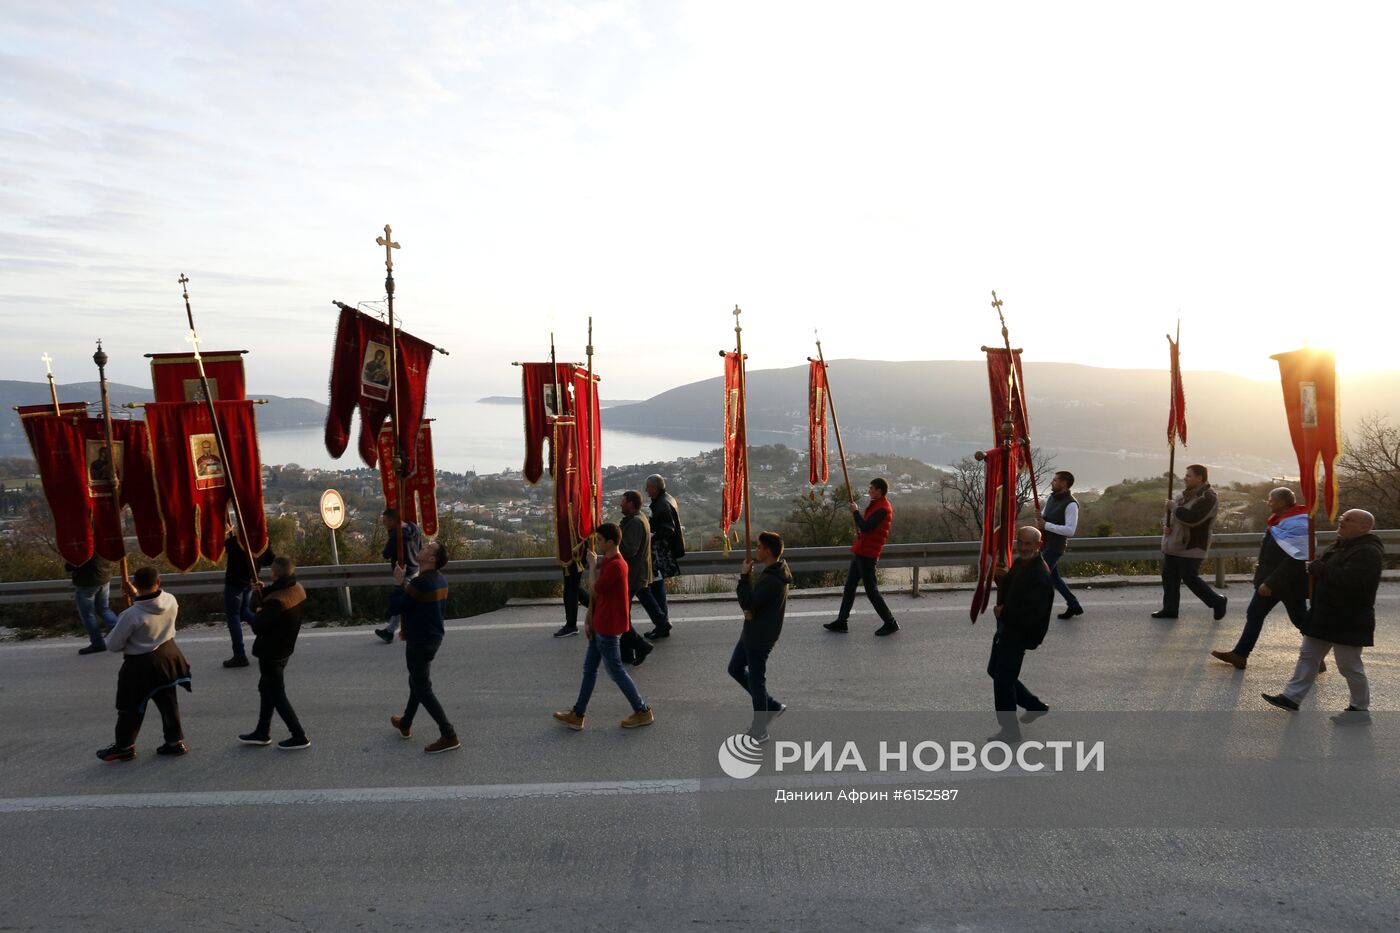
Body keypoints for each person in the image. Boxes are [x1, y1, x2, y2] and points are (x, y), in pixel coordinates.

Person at [1263, 509, 1384, 725]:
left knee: (1349, 665)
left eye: (1349, 520)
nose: (1342, 522)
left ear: (1364, 527)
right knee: (1308, 656)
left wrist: (1321, 570)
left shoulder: (1367, 551)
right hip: (1326, 615)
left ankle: (1359, 710)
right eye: (1341, 519)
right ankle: (1291, 697)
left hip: (1349, 618)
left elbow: (1354, 582)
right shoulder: (1343, 544)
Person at [552, 522, 655, 731]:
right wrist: (589, 619)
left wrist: (591, 566)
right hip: (601, 623)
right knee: (590, 669)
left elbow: (595, 589)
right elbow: (597, 598)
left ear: (609, 542)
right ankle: (578, 713)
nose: (597, 543)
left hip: (608, 626)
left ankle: (642, 710)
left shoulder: (616, 565)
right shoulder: (609, 561)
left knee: (616, 671)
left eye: (599, 540)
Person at [96, 566, 192, 762]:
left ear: (137, 584)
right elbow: (152, 605)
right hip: (169, 657)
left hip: (141, 664)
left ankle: (124, 746)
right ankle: (175, 742)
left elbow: (113, 645)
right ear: (158, 582)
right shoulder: (171, 600)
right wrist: (137, 596)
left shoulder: (131, 615)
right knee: (168, 703)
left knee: (130, 707)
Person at [1211, 487, 1312, 671]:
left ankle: (1316, 656)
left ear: (1282, 502)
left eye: (1271, 499)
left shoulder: (1298, 524)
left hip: (1287, 584)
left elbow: (1295, 559)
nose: (1268, 502)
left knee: (1299, 619)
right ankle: (1240, 655)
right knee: (1255, 615)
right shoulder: (1280, 521)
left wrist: (1270, 583)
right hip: (1274, 582)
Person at [388, 540, 461, 753]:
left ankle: (449, 734)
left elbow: (396, 606)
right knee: (417, 682)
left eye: (429, 548)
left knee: (422, 687)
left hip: (420, 642)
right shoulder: (440, 580)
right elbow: (422, 610)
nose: (424, 547)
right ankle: (405, 723)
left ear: (431, 559)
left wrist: (397, 583)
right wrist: (407, 628)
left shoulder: (420, 583)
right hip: (432, 638)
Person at [987, 526, 1054, 742]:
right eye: (1020, 542)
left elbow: (1032, 613)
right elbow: (1012, 587)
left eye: (1028, 544)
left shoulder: (1040, 574)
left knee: (1003, 681)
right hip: (1007, 629)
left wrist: (1003, 612)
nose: (1023, 548)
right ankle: (1034, 705)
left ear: (1038, 545)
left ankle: (1010, 730)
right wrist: (1001, 578)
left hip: (1018, 633)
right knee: (995, 671)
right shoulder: (1021, 563)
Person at [239, 556, 310, 750]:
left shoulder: (276, 601)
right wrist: (262, 591)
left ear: (274, 572)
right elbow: (276, 596)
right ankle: (262, 731)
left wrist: (259, 605)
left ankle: (299, 735)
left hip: (272, 651)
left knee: (277, 694)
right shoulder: (297, 589)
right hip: (285, 647)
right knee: (266, 688)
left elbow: (258, 626)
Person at [730, 531, 792, 742]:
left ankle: (760, 730)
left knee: (757, 685)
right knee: (735, 668)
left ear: (767, 550)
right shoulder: (775, 571)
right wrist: (750, 609)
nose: (756, 550)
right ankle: (772, 705)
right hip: (752, 631)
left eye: (758, 547)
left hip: (758, 637)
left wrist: (744, 576)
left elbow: (748, 603)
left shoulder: (771, 580)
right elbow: (754, 605)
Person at [824, 477, 899, 636]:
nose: (869, 490)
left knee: (871, 592)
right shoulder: (878, 505)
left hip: (868, 555)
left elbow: (866, 527)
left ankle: (890, 622)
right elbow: (868, 529)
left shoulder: (883, 508)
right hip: (862, 551)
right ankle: (842, 621)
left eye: (871, 488)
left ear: (879, 490)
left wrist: (855, 512)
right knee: (850, 587)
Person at [1154, 464, 1228, 620]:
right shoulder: (1183, 495)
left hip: (1192, 544)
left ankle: (1217, 601)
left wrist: (1174, 508)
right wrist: (1165, 525)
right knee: (1169, 576)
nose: (1185, 478)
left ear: (1199, 478)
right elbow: (1170, 517)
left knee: (1189, 577)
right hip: (1174, 543)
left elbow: (1193, 519)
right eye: (1185, 475)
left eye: (1189, 475)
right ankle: (1170, 609)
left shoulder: (1208, 497)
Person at [222, 523, 275, 668]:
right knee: (244, 612)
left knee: (233, 617)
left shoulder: (235, 542)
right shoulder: (263, 542)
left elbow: (215, 549)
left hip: (234, 584)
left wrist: (224, 532)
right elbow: (270, 559)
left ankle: (239, 655)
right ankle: (268, 634)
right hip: (249, 582)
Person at [618, 491, 662, 664]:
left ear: (631, 503)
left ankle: (640, 645)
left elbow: (630, 549)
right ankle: (627, 654)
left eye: (623, 501)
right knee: (623, 615)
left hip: (633, 576)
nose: (620, 504)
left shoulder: (636, 522)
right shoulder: (637, 518)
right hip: (635, 574)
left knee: (622, 616)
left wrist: (613, 541)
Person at [643, 474, 684, 640]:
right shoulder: (666, 499)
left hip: (660, 553)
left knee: (656, 587)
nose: (646, 490)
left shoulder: (662, 504)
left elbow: (668, 528)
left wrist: (652, 536)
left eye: (648, 487)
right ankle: (662, 623)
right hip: (664, 551)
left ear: (655, 488)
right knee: (657, 587)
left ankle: (662, 624)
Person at [1040, 470, 1084, 620]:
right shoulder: (1051, 498)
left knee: (1037, 575)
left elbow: (1070, 530)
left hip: (1055, 547)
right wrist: (1040, 521)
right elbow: (1044, 517)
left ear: (1064, 483)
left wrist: (1045, 525)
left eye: (1055, 480)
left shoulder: (1071, 504)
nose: (1051, 482)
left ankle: (1032, 609)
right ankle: (1074, 605)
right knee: (1054, 579)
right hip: (1045, 544)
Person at [375, 508, 423, 643]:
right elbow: (420, 547)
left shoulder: (397, 535)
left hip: (403, 573)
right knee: (405, 601)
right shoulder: (414, 527)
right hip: (415, 569)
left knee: (402, 602)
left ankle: (393, 631)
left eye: (385, 521)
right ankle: (393, 630)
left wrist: (391, 536)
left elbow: (386, 554)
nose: (384, 524)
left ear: (392, 521)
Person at [67, 554, 119, 655]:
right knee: (104, 609)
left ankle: (97, 644)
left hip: (86, 583)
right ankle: (123, 635)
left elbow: (72, 565)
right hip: (104, 578)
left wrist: (69, 564)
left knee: (87, 614)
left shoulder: (84, 546)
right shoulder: (100, 543)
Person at [554, 552, 591, 639]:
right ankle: (598, 608)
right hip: (570, 553)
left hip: (576, 553)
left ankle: (571, 625)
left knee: (572, 587)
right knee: (571, 587)